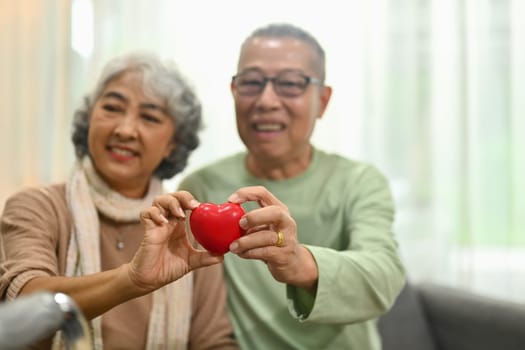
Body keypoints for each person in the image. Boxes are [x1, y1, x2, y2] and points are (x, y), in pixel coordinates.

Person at [176, 23, 406, 349]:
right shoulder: (201, 187)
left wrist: (298, 262)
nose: (267, 100)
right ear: (233, 93)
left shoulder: (357, 182)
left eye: (290, 84)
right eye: (252, 83)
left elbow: (383, 277)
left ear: (323, 101)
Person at [0, 52, 238, 349]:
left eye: (149, 117)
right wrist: (131, 280)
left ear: (172, 144)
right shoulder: (38, 206)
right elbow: (27, 303)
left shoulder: (190, 230)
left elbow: (213, 341)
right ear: (89, 119)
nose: (125, 130)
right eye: (112, 108)